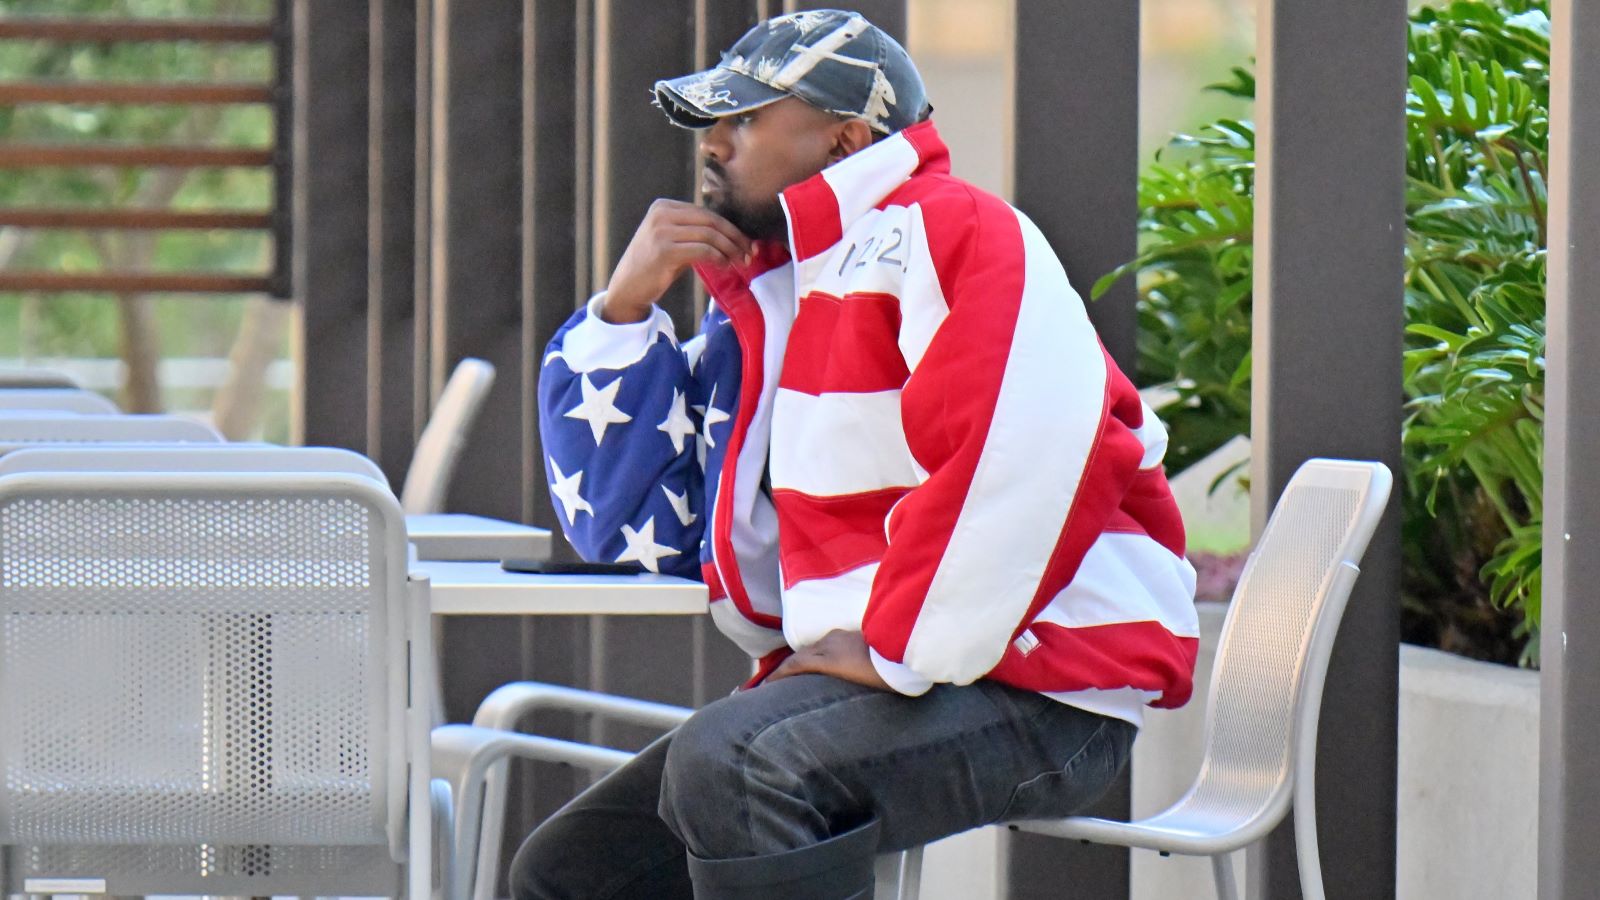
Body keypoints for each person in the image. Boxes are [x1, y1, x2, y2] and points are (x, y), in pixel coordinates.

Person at [517, 9, 1199, 899]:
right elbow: (633, 523)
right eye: (713, 122)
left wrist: (897, 643)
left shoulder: (957, 231)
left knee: (739, 765)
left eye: (747, 119)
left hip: (1049, 682)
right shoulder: (775, 297)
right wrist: (622, 311)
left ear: (845, 139)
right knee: (572, 872)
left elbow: (1024, 448)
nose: (715, 145)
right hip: (911, 673)